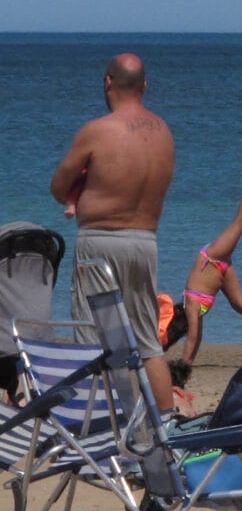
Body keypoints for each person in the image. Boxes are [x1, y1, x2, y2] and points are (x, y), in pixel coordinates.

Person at [50, 53, 176, 413]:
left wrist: (84, 182)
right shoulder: (164, 134)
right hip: (145, 242)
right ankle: (165, 432)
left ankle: (101, 432)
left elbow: (59, 188)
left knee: (93, 340)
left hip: (100, 241)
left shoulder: (98, 131)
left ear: (108, 82)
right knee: (148, 342)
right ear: (145, 86)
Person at [176, 163, 242, 365]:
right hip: (221, 271)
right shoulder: (195, 309)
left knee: (241, 221)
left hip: (213, 257)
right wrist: (187, 364)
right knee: (241, 306)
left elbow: (192, 335)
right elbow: (195, 338)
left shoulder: (191, 304)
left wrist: (183, 364)